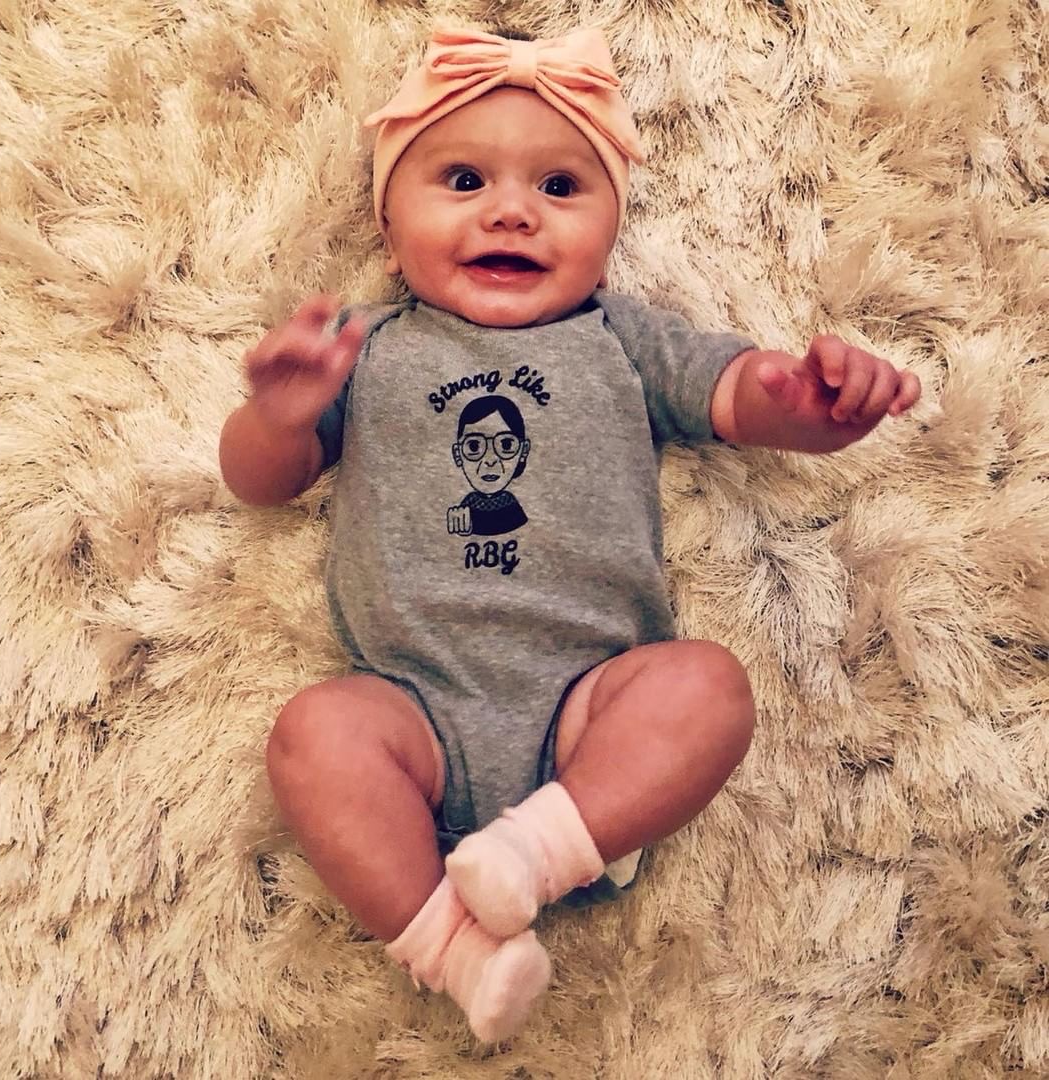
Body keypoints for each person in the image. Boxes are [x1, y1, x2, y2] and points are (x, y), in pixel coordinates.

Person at [218, 27, 922, 1043]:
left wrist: (815, 406)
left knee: (709, 687)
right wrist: (279, 419)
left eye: (559, 188)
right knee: (312, 734)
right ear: (387, 223)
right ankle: (458, 950)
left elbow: (738, 395)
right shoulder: (362, 348)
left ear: (610, 228)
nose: (512, 211)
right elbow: (258, 485)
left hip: (590, 710)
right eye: (464, 180)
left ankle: (532, 854)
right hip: (411, 709)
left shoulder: (621, 338)